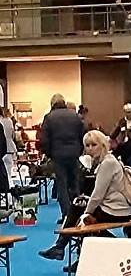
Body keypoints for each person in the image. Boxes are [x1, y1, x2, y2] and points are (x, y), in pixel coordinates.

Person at [38, 131, 131, 262]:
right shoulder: (104, 161)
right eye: (87, 145)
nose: (89, 148)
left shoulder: (108, 163)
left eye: (93, 145)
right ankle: (69, 252)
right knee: (78, 208)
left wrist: (87, 212)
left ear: (102, 145)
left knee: (79, 213)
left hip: (117, 209)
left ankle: (62, 247)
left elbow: (98, 195)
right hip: (112, 206)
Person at [40, 93, 85, 223]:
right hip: (74, 154)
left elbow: (44, 140)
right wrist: (79, 151)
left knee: (62, 186)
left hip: (58, 155)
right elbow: (83, 135)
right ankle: (78, 212)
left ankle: (66, 214)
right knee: (74, 184)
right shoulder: (75, 116)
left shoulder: (49, 118)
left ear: (52, 104)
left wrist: (50, 154)